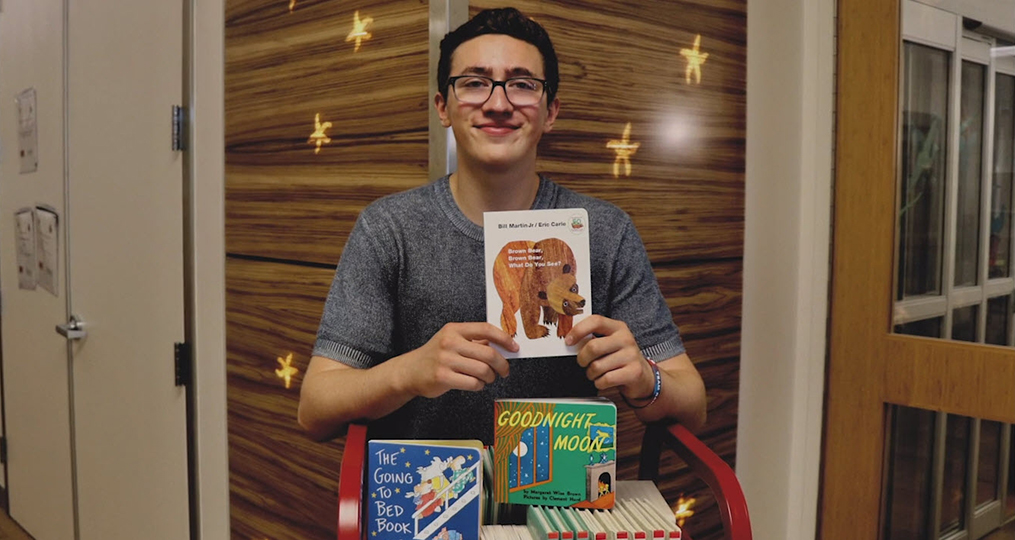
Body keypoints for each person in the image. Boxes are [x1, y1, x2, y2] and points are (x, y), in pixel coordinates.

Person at [298, 7, 706, 444]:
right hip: (427, 500)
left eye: (522, 85)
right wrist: (408, 372)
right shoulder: (388, 229)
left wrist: (647, 380)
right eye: (474, 83)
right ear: (444, 107)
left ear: (550, 111)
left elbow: (693, 404)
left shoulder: (605, 230)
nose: (498, 103)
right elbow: (315, 409)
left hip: (564, 504)